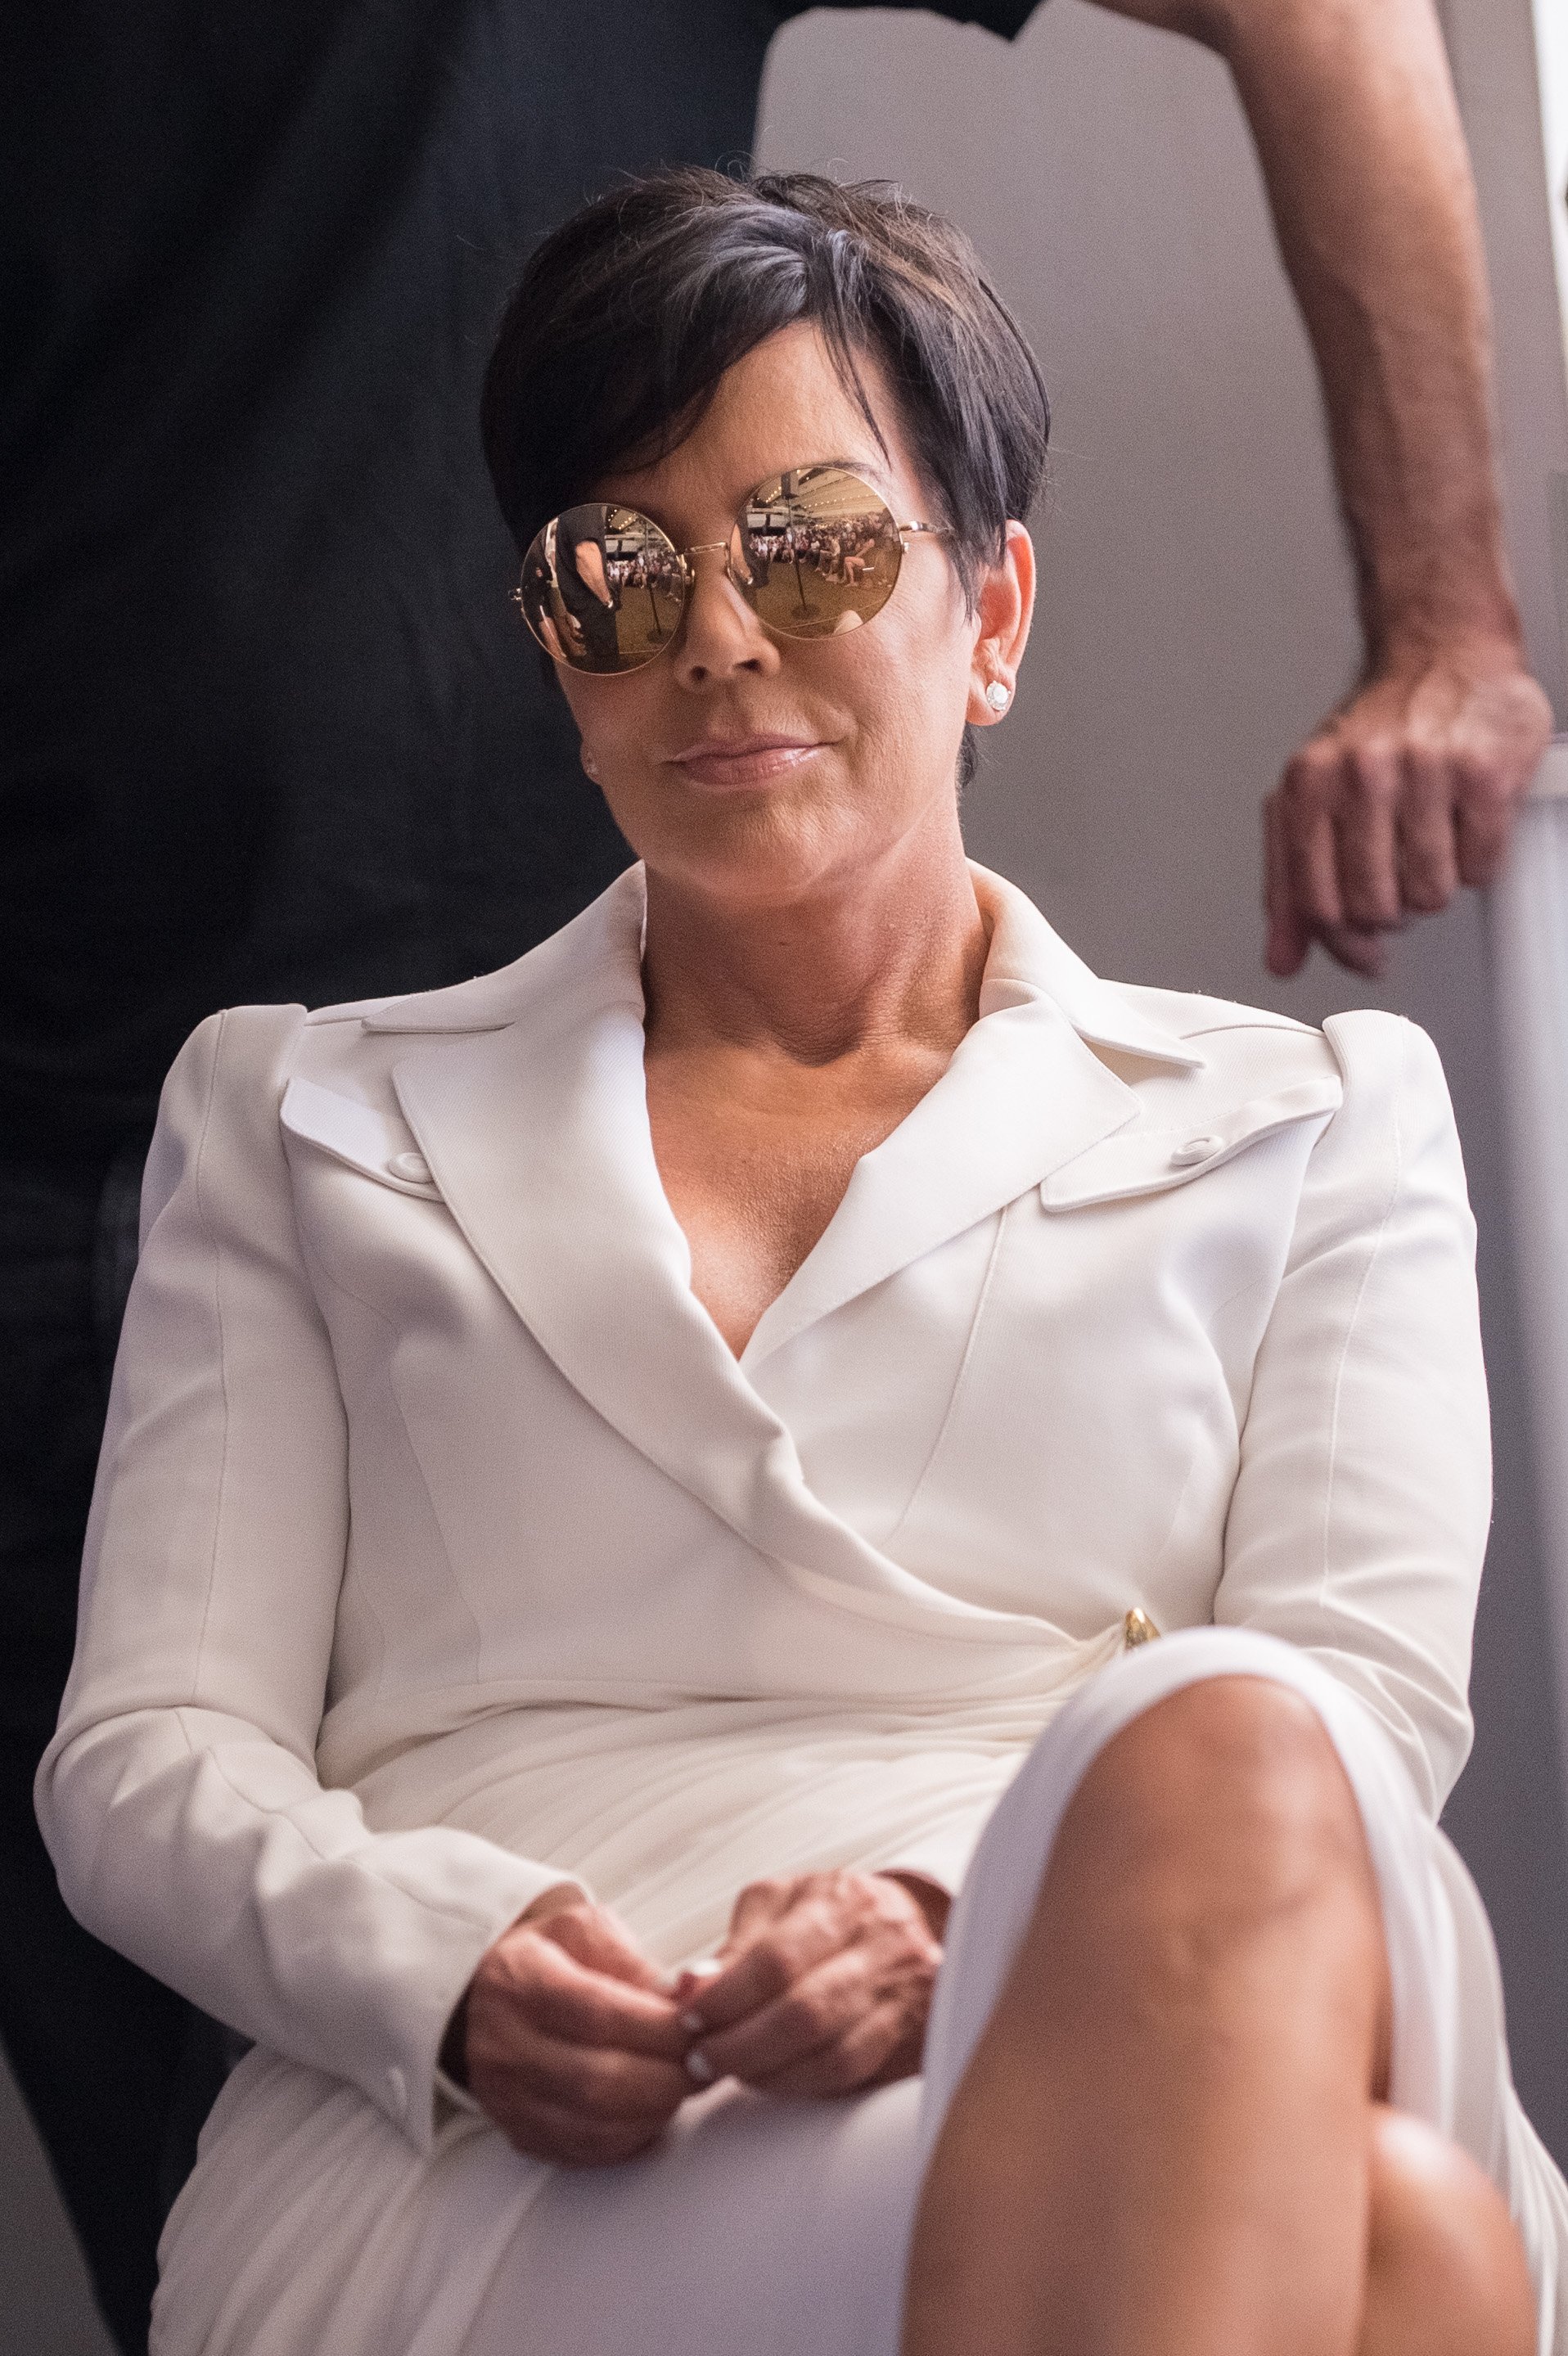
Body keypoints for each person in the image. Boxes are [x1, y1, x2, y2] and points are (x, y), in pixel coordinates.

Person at [2, 5, 1550, 2348]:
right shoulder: (302, 1111)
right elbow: (143, 1756)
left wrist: (957, 1918)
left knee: (1234, 1753)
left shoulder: (1302, 1117)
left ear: (990, 616)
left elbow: (1360, 1699)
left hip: (1102, 1954)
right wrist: (447, 1966)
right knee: (1400, 2256)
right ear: (556, 656)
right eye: (614, 581)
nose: (717, 637)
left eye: (814, 546)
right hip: (517, 2106)